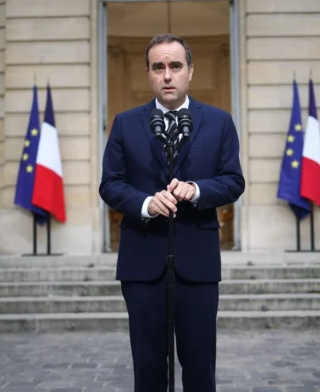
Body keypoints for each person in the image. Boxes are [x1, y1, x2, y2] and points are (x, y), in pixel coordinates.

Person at [99, 33, 245, 391]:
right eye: (158, 67)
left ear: (190, 71)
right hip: (142, 263)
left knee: (200, 368)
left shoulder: (219, 122)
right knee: (147, 369)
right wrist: (146, 204)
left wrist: (197, 190)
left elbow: (233, 181)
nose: (167, 75)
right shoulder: (125, 123)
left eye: (175, 66)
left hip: (198, 263)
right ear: (148, 74)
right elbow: (111, 184)